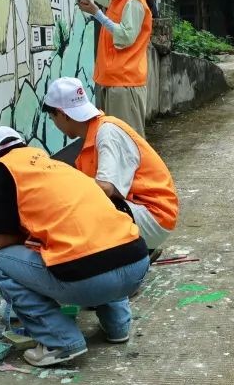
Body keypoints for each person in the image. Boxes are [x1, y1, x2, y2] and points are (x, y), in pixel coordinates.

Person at [0, 126, 149, 367]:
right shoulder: (56, 166)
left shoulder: (2, 169)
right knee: (97, 242)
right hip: (136, 264)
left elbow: (2, 241)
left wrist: (28, 244)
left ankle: (60, 342)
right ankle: (118, 326)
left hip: (88, 279)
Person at [43, 76, 179, 255]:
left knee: (82, 210)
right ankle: (133, 253)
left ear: (62, 114)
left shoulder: (107, 132)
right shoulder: (96, 134)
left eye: (52, 118)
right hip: (144, 211)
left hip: (154, 216)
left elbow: (106, 188)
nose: (55, 124)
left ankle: (132, 254)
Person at [52, 0, 157, 137]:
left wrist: (97, 14)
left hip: (124, 85)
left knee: (127, 142)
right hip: (113, 82)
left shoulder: (135, 0)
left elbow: (125, 36)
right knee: (114, 140)